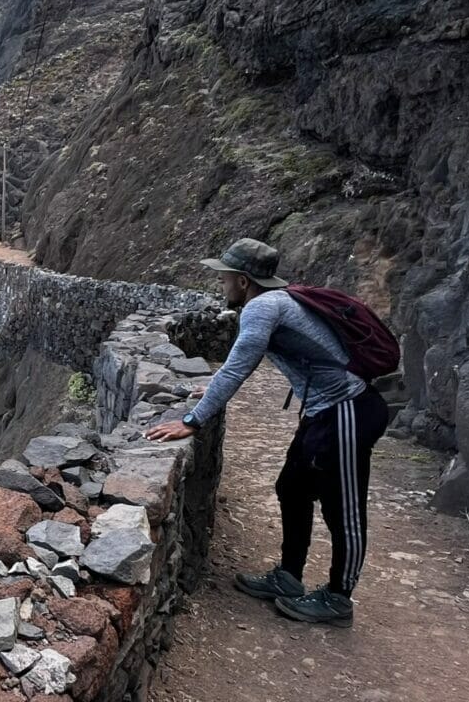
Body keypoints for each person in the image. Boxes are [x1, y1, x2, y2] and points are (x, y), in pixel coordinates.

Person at [146, 238, 388, 627]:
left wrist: (191, 420)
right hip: (325, 411)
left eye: (224, 277)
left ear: (243, 281)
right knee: (291, 487)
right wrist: (212, 388)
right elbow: (247, 362)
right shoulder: (280, 301)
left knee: (344, 509)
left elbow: (238, 366)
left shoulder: (262, 306)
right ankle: (289, 576)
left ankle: (339, 598)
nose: (220, 284)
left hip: (348, 409)